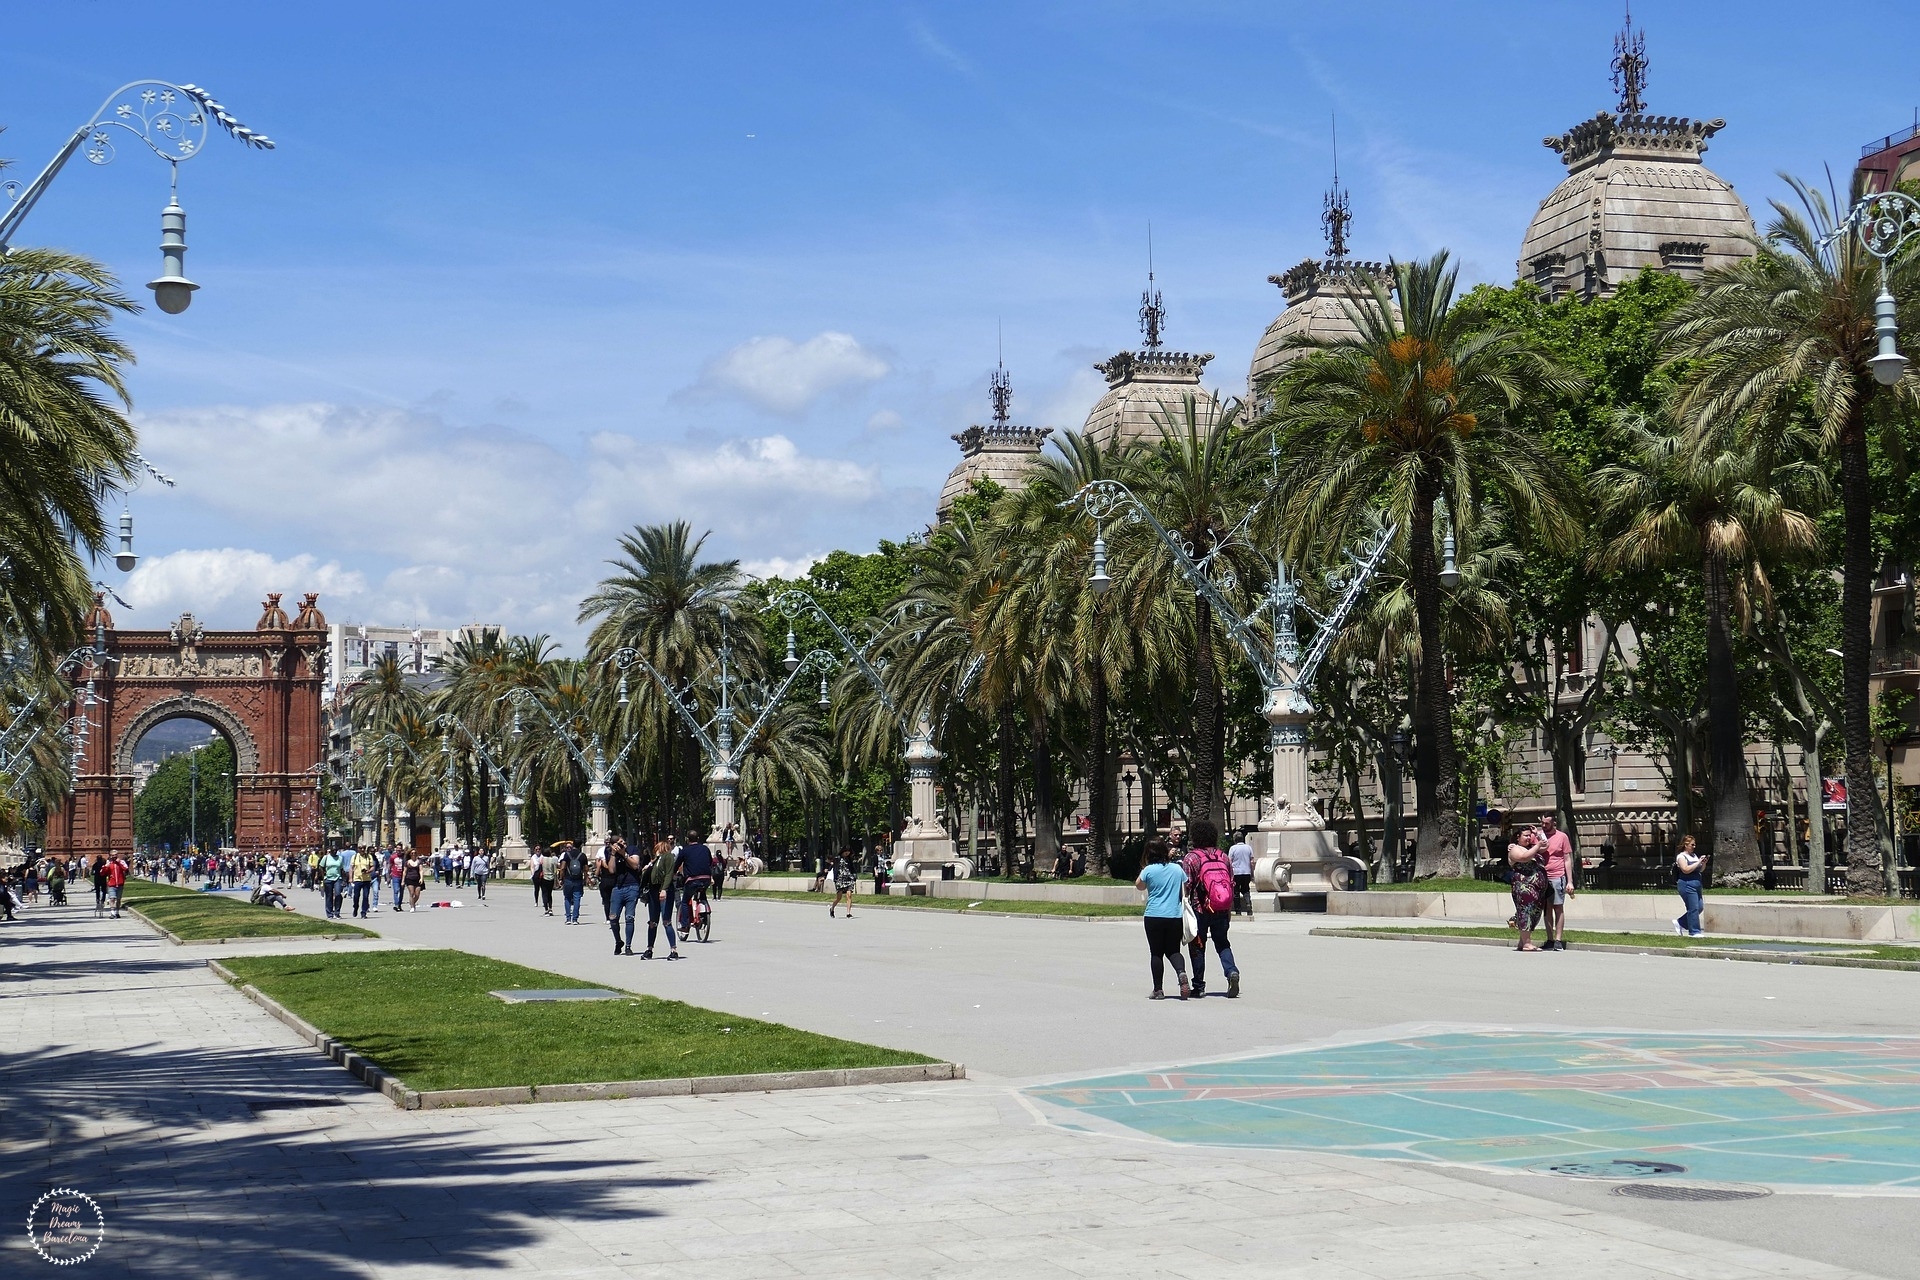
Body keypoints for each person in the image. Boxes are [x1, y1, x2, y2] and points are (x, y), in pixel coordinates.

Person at [1182, 820, 1242, 998]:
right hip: (1221, 908)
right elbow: (1231, 883)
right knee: (1223, 943)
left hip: (1200, 908)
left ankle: (1199, 986)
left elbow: (1187, 885)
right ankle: (1231, 971)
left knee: (1198, 946)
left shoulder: (1192, 858)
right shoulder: (1223, 856)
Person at [1134, 838, 1190, 1000]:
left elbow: (1139, 886)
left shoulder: (1148, 870)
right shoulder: (1176, 869)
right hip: (1174, 915)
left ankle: (1158, 990)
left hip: (1154, 915)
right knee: (1173, 950)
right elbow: (1185, 888)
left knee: (1156, 953)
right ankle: (1181, 972)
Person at [1507, 828, 1548, 952]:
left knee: (1534, 913)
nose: (1529, 838)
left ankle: (1522, 941)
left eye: (1530, 836)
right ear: (1518, 837)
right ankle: (1527, 943)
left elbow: (1546, 845)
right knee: (1525, 912)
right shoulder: (1514, 849)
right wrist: (1536, 847)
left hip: (1537, 889)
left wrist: (1538, 834)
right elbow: (1524, 858)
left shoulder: (1531, 847)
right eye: (1526, 836)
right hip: (1523, 887)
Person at [1539, 813, 1575, 951]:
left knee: (1557, 907)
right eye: (1542, 822)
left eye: (1547, 823)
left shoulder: (1562, 837)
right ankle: (1550, 939)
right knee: (1546, 909)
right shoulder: (1539, 836)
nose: (1544, 825)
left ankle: (1558, 940)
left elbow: (1567, 859)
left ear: (1553, 823)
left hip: (1557, 876)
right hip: (1542, 877)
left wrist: (1569, 881)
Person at [676, 828, 717, 937]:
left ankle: (684, 925)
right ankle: (704, 914)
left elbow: (677, 864)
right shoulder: (705, 849)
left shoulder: (684, 850)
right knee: (702, 895)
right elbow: (710, 862)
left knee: (685, 901)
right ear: (697, 838)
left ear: (687, 839)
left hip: (692, 880)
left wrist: (673, 873)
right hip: (706, 878)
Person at [641, 838, 678, 959]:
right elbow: (645, 877)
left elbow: (668, 873)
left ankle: (673, 950)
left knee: (666, 921)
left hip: (664, 890)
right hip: (653, 891)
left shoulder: (668, 857)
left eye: (656, 849)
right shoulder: (655, 861)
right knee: (652, 922)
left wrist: (664, 889)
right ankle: (649, 949)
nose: (655, 851)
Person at [1674, 835, 1707, 937]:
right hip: (1686, 884)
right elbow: (1686, 869)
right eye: (1692, 844)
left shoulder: (1694, 856)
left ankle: (1681, 922)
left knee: (1700, 907)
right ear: (1686, 845)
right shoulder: (1681, 857)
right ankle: (1694, 932)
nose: (1694, 846)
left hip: (1696, 883)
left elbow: (1700, 870)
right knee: (1693, 908)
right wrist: (1698, 862)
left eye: (1695, 844)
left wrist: (1703, 863)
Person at [1227, 828, 1255, 918]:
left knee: (1236, 892)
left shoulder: (1233, 848)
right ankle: (1248, 904)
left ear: (1235, 839)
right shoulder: (1248, 847)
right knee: (1246, 890)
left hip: (1236, 873)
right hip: (1246, 872)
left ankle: (1238, 910)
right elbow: (1252, 862)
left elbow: (1229, 861)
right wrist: (1252, 873)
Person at [559, 839, 586, 923]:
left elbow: (562, 868)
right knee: (577, 899)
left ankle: (568, 918)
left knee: (567, 898)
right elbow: (585, 869)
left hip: (568, 879)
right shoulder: (582, 855)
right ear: (581, 846)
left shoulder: (567, 855)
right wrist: (585, 879)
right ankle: (575, 919)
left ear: (573, 844)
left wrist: (561, 878)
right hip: (578, 880)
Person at [829, 844, 856, 919]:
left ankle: (848, 913)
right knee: (839, 898)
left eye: (848, 851)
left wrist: (854, 876)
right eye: (846, 851)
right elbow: (833, 868)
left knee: (849, 895)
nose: (847, 853)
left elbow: (852, 868)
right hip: (840, 879)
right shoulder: (837, 858)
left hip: (849, 879)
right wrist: (835, 878)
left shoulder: (849, 859)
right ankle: (832, 908)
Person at [349, 846, 376, 918]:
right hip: (357, 879)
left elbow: (372, 866)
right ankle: (355, 907)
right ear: (358, 849)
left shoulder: (369, 856)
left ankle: (363, 912)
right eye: (360, 848)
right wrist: (350, 878)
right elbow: (351, 868)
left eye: (364, 848)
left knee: (365, 896)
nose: (362, 850)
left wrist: (368, 871)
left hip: (366, 879)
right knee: (356, 896)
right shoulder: (354, 857)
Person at [321, 846, 347, 919]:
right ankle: (329, 914)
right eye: (333, 850)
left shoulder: (340, 858)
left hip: (337, 878)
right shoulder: (326, 857)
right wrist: (324, 877)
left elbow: (342, 869)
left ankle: (337, 912)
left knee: (338, 894)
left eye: (336, 850)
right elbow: (321, 867)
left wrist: (344, 880)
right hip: (328, 879)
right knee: (329, 896)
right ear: (330, 851)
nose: (334, 852)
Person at [536, 843, 562, 916]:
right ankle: (550, 908)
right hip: (551, 878)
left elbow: (539, 869)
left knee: (544, 894)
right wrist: (556, 880)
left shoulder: (542, 860)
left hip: (544, 878)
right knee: (549, 894)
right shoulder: (552, 860)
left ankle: (546, 909)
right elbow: (555, 870)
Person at [105, 851, 128, 918]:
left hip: (120, 883)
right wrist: (105, 867)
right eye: (112, 855)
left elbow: (125, 869)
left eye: (115, 855)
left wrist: (119, 863)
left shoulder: (122, 862)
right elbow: (103, 873)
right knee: (112, 898)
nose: (114, 856)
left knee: (118, 899)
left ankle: (117, 912)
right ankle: (112, 913)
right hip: (112, 884)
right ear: (110, 856)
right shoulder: (109, 863)